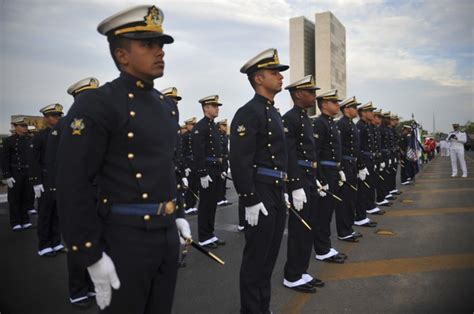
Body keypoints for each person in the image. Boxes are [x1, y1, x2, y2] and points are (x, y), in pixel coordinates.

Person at [55, 5, 191, 313]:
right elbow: (73, 184)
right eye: (147, 44)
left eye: (160, 45)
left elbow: (164, 166)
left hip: (165, 232)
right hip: (124, 237)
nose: (159, 52)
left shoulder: (166, 106)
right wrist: (88, 254)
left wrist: (177, 212)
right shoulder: (98, 104)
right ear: (122, 55)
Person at [230, 48, 288, 314]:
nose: (280, 77)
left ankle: (262, 308)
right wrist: (249, 198)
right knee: (255, 260)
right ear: (257, 78)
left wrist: (284, 188)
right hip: (260, 191)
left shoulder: (273, 111)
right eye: (274, 73)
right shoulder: (248, 112)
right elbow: (240, 159)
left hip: (275, 190)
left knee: (269, 259)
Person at [282, 75, 325, 293]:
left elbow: (309, 152)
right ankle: (291, 275)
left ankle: (301, 270)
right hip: (299, 180)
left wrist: (314, 178)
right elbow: (289, 154)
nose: (314, 96)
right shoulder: (289, 118)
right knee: (300, 229)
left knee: (309, 227)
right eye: (311, 92)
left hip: (308, 177)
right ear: (299, 94)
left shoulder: (304, 118)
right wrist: (296, 184)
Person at [312, 89, 348, 263]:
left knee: (328, 212)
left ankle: (325, 245)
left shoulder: (331, 123)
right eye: (334, 102)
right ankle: (322, 249)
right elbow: (315, 153)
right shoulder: (320, 123)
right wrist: (320, 178)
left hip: (333, 171)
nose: (337, 105)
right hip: (325, 172)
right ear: (324, 104)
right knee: (323, 214)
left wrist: (338, 168)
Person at [28, 103, 66, 257]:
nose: (57, 118)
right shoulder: (39, 137)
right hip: (45, 179)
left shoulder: (64, 134)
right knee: (45, 213)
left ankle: (56, 242)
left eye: (58, 115)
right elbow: (33, 161)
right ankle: (44, 245)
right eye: (53, 116)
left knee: (57, 213)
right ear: (46, 118)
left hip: (59, 179)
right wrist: (36, 181)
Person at [192, 95, 226, 248]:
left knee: (212, 204)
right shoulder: (200, 127)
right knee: (205, 204)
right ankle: (203, 236)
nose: (217, 108)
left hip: (216, 169)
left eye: (217, 106)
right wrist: (202, 173)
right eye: (214, 106)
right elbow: (198, 152)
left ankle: (210, 234)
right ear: (206, 108)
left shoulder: (213, 126)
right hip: (207, 169)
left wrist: (222, 169)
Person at [336, 96, 366, 243]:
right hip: (346, 164)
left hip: (352, 164)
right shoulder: (341, 124)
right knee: (345, 200)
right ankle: (343, 231)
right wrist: (340, 167)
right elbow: (338, 148)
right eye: (354, 107)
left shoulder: (351, 125)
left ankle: (348, 227)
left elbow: (357, 148)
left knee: (351, 198)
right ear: (346, 109)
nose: (356, 110)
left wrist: (360, 165)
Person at [1, 117, 33, 231]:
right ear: (15, 127)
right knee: (14, 198)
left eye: (26, 126)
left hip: (27, 172)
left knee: (26, 197)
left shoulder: (30, 139)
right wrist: (7, 175)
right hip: (15, 172)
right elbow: (4, 159)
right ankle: (15, 221)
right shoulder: (9, 141)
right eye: (22, 126)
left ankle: (25, 220)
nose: (25, 128)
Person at [354, 102, 380, 226]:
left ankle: (364, 212)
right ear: (363, 113)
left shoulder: (366, 126)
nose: (373, 114)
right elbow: (357, 148)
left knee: (368, 186)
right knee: (362, 190)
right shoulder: (360, 126)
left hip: (369, 160)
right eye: (370, 111)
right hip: (363, 160)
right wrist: (360, 165)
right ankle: (360, 216)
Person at [182, 117, 199, 215]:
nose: (193, 126)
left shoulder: (195, 135)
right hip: (188, 163)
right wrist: (185, 166)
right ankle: (188, 206)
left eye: (194, 125)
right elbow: (182, 153)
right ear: (187, 125)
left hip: (195, 164)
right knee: (190, 187)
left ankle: (192, 205)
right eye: (191, 125)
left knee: (195, 185)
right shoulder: (184, 136)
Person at [216, 119, 232, 206]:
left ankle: (223, 197)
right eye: (224, 125)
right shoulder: (217, 136)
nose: (226, 127)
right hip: (220, 161)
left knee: (224, 181)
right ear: (220, 126)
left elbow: (226, 149)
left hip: (225, 161)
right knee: (220, 181)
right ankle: (219, 198)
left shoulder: (225, 136)